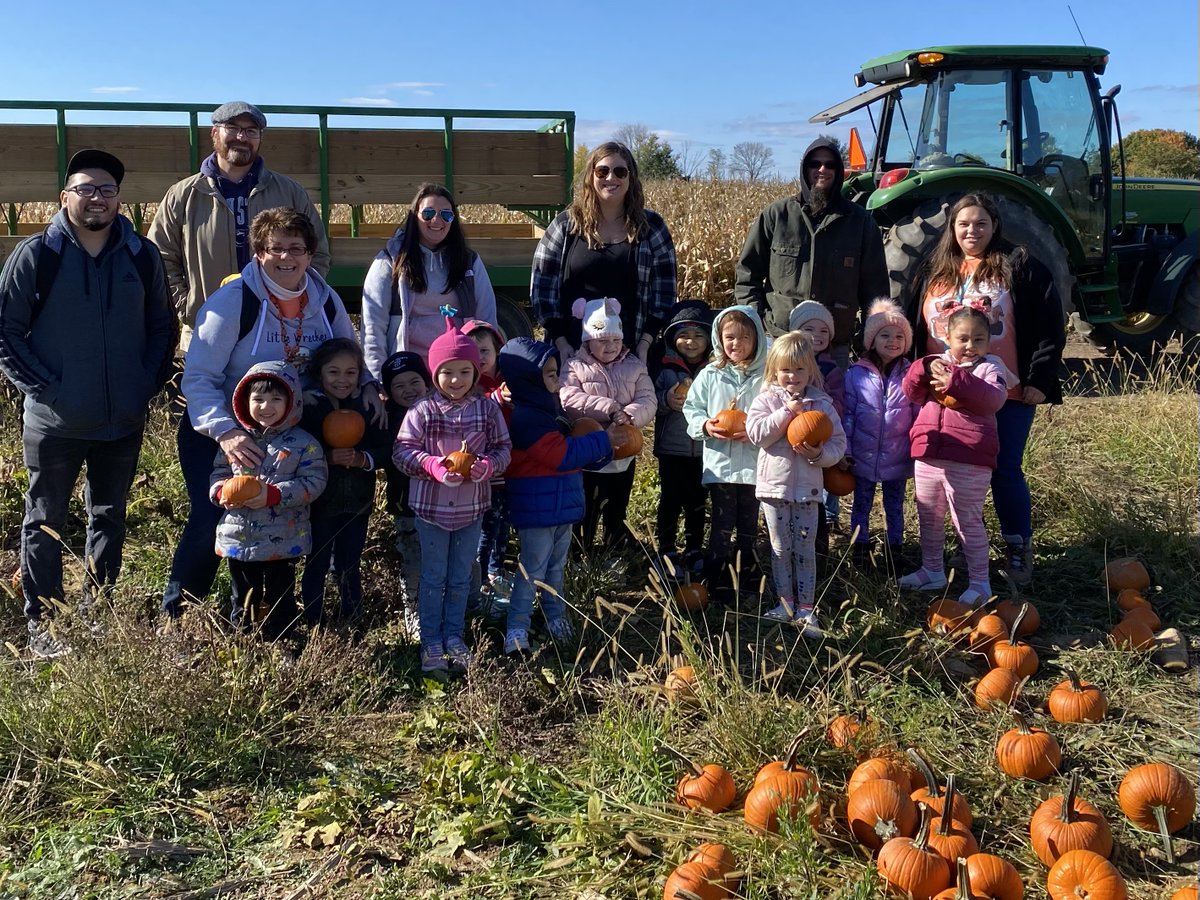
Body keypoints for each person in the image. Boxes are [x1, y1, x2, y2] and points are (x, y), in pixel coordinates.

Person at [0, 149, 175, 658]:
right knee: (44, 519)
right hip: (54, 422)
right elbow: (7, 332)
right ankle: (45, 625)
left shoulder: (141, 256)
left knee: (109, 516)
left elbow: (161, 328)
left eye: (106, 190)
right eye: (85, 189)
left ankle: (95, 614)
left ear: (119, 199)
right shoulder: (38, 255)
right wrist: (46, 389)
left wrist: (144, 384)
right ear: (64, 197)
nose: (96, 198)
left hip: (121, 419)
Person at [162, 207, 370, 624]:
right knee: (214, 518)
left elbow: (348, 358)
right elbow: (199, 377)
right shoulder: (233, 302)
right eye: (275, 248)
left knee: (285, 521)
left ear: (310, 254)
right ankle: (181, 616)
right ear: (259, 253)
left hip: (289, 435)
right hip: (224, 430)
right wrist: (225, 432)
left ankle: (273, 619)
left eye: (297, 248)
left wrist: (368, 388)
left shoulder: (324, 301)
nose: (286, 257)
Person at [906, 193, 1065, 586]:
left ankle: (1016, 546)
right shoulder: (935, 270)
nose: (971, 231)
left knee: (1005, 470)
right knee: (951, 474)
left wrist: (1039, 379)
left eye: (980, 223)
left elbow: (1049, 324)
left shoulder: (1020, 266)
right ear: (952, 228)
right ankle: (962, 549)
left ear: (994, 226)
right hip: (942, 396)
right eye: (963, 224)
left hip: (1003, 392)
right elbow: (913, 324)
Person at [148, 101, 330, 354]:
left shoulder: (289, 192)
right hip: (206, 326)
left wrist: (292, 305)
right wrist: (189, 308)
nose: (241, 137)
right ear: (214, 133)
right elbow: (160, 258)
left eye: (251, 131)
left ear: (260, 139)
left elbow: (317, 253)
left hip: (277, 329)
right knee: (206, 392)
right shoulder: (183, 195)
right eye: (232, 128)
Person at [393, 315, 511, 675]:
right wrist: (432, 466)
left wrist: (486, 467)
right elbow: (402, 452)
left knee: (462, 575)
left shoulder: (487, 409)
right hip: (430, 510)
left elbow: (503, 449)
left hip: (472, 508)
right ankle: (431, 640)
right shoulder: (422, 411)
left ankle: (455, 637)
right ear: (434, 374)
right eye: (447, 372)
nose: (455, 380)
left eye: (464, 372)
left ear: (476, 372)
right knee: (433, 577)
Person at [497, 338, 614, 655]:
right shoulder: (526, 419)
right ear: (528, 379)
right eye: (549, 374)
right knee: (531, 570)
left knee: (555, 569)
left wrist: (597, 450)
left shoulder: (551, 410)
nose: (557, 380)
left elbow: (574, 449)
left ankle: (555, 617)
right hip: (537, 510)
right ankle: (517, 627)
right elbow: (560, 456)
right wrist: (605, 441)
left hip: (562, 506)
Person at [734, 138, 888, 364]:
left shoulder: (861, 222)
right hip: (780, 340)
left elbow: (875, 288)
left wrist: (870, 338)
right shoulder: (776, 216)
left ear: (839, 170)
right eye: (815, 164)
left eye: (830, 165)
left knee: (833, 399)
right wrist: (755, 322)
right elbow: (748, 275)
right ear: (805, 169)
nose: (822, 169)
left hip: (835, 346)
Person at [900, 305, 1013, 605]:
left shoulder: (991, 368)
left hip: (969, 458)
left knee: (967, 520)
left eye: (978, 339)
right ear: (946, 338)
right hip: (929, 453)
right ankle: (932, 570)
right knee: (929, 517)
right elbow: (911, 391)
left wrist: (956, 381)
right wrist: (923, 367)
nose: (970, 346)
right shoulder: (935, 363)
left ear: (989, 342)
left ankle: (980, 582)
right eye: (962, 338)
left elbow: (992, 400)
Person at [210, 361, 327, 641]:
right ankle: (244, 641)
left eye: (276, 398)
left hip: (283, 539)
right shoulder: (237, 440)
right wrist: (220, 491)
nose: (266, 406)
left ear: (292, 401)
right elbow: (220, 472)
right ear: (244, 401)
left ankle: (282, 640)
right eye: (258, 399)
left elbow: (314, 482)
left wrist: (273, 495)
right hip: (240, 537)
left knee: (281, 596)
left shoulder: (303, 444)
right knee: (243, 597)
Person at [531, 142, 677, 363]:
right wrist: (561, 343)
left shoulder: (651, 227)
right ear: (591, 176)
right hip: (571, 351)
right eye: (603, 171)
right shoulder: (565, 226)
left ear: (631, 178)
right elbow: (542, 288)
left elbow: (664, 292)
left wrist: (645, 344)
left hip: (630, 352)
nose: (611, 178)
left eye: (620, 171)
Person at [745, 332, 846, 636]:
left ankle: (806, 608)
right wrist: (787, 412)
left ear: (810, 371)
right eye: (786, 369)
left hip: (808, 491)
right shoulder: (765, 401)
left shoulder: (822, 403)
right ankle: (784, 603)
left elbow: (838, 444)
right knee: (779, 547)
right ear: (774, 370)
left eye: (800, 369)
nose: (793, 376)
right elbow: (757, 435)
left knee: (804, 548)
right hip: (773, 490)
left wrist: (820, 455)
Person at [299, 338, 391, 630]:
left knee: (349, 564)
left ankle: (354, 620)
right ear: (319, 374)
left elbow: (386, 449)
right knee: (316, 562)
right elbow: (296, 452)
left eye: (351, 373)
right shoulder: (311, 409)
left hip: (358, 503)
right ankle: (315, 622)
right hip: (320, 503)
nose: (342, 380)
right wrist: (326, 457)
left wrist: (364, 459)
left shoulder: (367, 406)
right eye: (334, 372)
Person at [360, 183, 497, 376]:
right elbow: (373, 327)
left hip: (458, 374)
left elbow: (487, 321)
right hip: (409, 374)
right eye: (428, 213)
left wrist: (486, 375)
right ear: (414, 216)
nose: (437, 220)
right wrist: (378, 381)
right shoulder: (390, 261)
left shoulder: (469, 263)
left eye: (446, 215)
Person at [682, 305, 769, 604]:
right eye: (729, 337)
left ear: (757, 338)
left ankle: (744, 579)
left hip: (755, 466)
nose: (736, 344)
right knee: (721, 523)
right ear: (719, 338)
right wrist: (705, 426)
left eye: (745, 337)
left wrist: (758, 431)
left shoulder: (766, 375)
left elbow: (776, 412)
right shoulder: (710, 374)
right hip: (720, 466)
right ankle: (715, 577)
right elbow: (691, 409)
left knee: (747, 525)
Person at [560, 297, 656, 557]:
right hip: (589, 452)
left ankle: (613, 554)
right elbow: (567, 397)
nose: (610, 346)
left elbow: (648, 399)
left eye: (615, 340)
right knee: (586, 509)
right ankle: (582, 555)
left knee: (617, 508)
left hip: (623, 452)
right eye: (602, 341)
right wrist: (609, 407)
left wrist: (629, 415)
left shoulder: (634, 365)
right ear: (587, 341)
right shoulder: (574, 366)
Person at [841, 299, 918, 573]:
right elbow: (848, 415)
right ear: (871, 340)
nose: (892, 341)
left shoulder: (911, 374)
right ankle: (860, 550)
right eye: (884, 335)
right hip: (862, 456)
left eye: (899, 336)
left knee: (894, 505)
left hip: (898, 456)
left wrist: (918, 450)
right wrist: (846, 450)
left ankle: (894, 550)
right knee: (861, 504)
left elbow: (918, 414)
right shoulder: (856, 374)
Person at [652, 300, 713, 575]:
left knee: (697, 501)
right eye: (684, 336)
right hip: (671, 449)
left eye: (699, 335)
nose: (691, 342)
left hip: (703, 450)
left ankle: (693, 549)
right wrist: (666, 400)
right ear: (673, 338)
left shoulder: (713, 371)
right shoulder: (665, 368)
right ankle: (666, 548)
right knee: (670, 499)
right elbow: (651, 401)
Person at [379, 351, 431, 639]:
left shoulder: (441, 410)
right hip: (406, 503)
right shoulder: (386, 419)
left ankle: (455, 607)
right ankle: (414, 612)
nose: (409, 390)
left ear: (427, 382)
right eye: (399, 386)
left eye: (415, 381)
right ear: (388, 392)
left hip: (442, 504)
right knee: (411, 559)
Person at [788, 300, 846, 557]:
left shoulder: (830, 368)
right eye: (810, 329)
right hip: (789, 439)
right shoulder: (787, 369)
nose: (818, 336)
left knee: (818, 494)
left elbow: (840, 403)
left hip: (820, 436)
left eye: (824, 331)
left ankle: (819, 548)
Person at [462, 318, 513, 607]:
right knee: (486, 525)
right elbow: (477, 409)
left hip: (509, 465)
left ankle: (496, 569)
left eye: (485, 351)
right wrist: (498, 397)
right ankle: (480, 576)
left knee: (503, 521)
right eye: (473, 351)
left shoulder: (508, 379)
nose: (480, 358)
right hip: (484, 468)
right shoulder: (471, 384)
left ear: (497, 351)